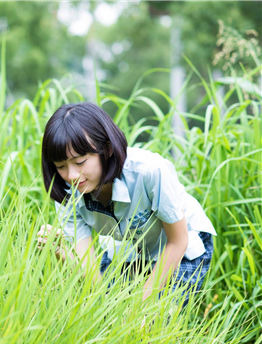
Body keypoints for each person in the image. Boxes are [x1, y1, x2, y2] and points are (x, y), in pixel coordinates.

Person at [37, 102, 216, 303]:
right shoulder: (67, 192)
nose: (71, 175)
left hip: (182, 245)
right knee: (108, 312)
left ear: (107, 148)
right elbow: (94, 282)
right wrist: (62, 252)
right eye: (61, 166)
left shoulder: (149, 171)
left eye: (80, 162)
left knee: (154, 321)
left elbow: (178, 241)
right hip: (131, 250)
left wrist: (139, 305)